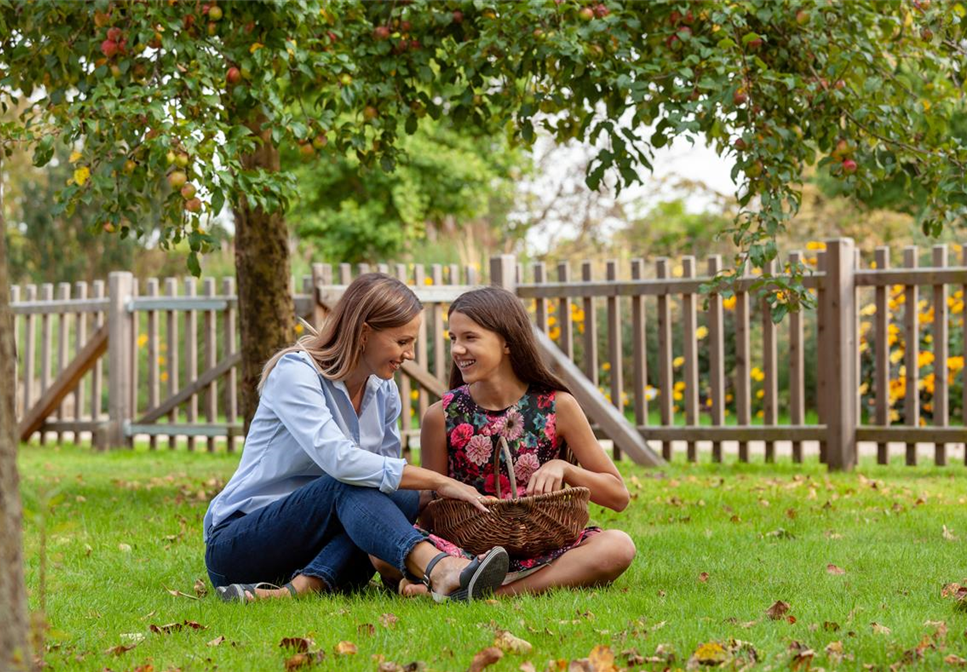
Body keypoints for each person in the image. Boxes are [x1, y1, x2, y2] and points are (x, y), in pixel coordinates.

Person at [203, 273, 509, 603]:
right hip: (241, 544)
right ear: (364, 333)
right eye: (402, 342)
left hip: (312, 546)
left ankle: (297, 590)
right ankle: (439, 568)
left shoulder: (384, 391)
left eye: (412, 343)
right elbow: (341, 462)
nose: (409, 354)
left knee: (401, 497)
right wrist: (438, 481)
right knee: (346, 481)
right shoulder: (296, 373)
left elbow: (383, 484)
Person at [385, 286, 635, 596]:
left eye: (470, 337)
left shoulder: (559, 406)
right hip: (466, 554)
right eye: (453, 339)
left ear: (506, 341)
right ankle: (466, 581)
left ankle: (487, 593)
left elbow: (618, 496)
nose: (457, 349)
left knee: (618, 546)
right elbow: (430, 511)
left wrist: (564, 469)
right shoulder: (441, 416)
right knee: (380, 549)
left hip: (545, 548)